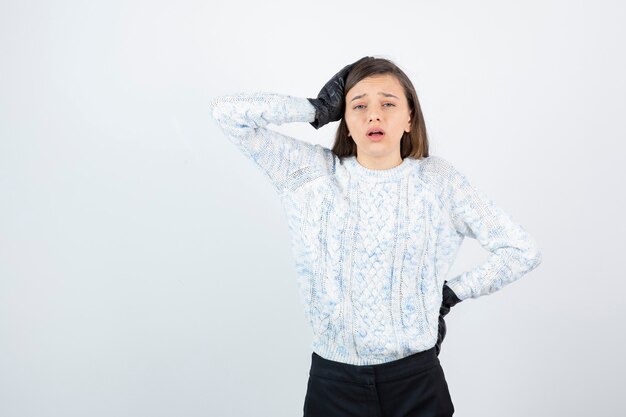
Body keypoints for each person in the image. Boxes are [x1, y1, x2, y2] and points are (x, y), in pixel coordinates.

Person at [209, 56, 542, 417]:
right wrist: (316, 109)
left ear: (409, 117)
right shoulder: (310, 175)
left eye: (388, 103)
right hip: (334, 386)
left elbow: (520, 250)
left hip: (416, 383)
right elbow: (226, 112)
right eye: (359, 105)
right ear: (345, 120)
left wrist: (451, 294)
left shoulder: (438, 181)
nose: (374, 115)